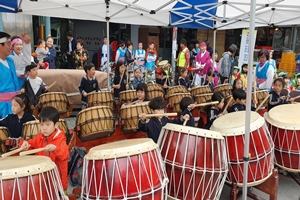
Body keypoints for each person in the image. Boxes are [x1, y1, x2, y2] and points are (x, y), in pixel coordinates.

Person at [20, 106, 69, 191]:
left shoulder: (61, 138)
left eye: (48, 124)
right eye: (42, 124)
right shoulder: (40, 137)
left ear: (56, 125)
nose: (44, 128)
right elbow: (30, 144)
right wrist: (24, 144)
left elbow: (64, 155)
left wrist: (55, 149)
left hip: (58, 183)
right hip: (42, 181)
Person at [0, 32, 20, 118]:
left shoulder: (10, 61)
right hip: (2, 107)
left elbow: (26, 62)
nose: (11, 47)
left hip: (16, 104)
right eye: (8, 44)